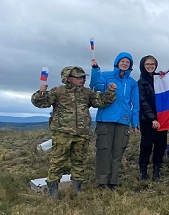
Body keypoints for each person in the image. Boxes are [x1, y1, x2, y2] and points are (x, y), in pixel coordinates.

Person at [31, 66, 116, 197]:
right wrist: (40, 93)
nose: (82, 79)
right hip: (62, 134)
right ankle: (53, 191)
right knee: (58, 162)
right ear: (68, 78)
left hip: (81, 134)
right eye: (78, 77)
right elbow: (41, 103)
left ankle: (76, 190)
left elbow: (101, 101)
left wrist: (110, 91)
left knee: (79, 162)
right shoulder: (58, 91)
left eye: (83, 77)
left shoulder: (87, 93)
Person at [90, 52, 140, 188]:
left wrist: (135, 122)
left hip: (123, 121)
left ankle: (113, 182)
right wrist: (95, 70)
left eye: (128, 62)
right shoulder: (106, 76)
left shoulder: (132, 83)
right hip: (105, 119)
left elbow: (135, 104)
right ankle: (102, 181)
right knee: (104, 151)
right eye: (122, 61)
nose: (125, 64)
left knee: (118, 152)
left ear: (130, 65)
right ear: (117, 62)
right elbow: (95, 86)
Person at [138, 55, 168, 181]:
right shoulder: (141, 82)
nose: (150, 66)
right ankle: (143, 172)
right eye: (147, 64)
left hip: (162, 118)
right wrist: (152, 119)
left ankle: (157, 172)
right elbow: (143, 102)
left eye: (152, 64)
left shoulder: (160, 78)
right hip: (147, 120)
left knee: (161, 145)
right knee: (146, 145)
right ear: (143, 66)